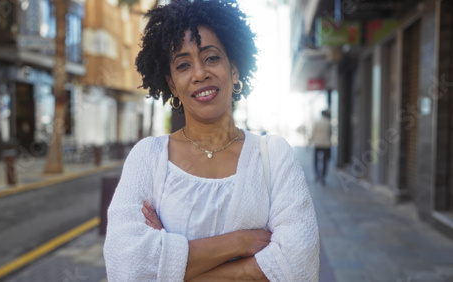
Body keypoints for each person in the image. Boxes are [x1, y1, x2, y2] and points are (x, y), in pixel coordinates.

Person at [103, 1, 319, 281]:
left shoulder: (274, 156)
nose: (199, 73)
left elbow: (298, 264)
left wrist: (168, 269)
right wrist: (240, 243)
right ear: (171, 84)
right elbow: (126, 266)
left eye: (212, 58)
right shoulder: (148, 157)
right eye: (183, 65)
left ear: (234, 69)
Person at [310, 109, 331, 186]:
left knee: (315, 160)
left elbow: (313, 132)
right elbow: (330, 134)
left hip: (317, 143)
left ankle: (317, 174)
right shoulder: (328, 122)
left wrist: (310, 142)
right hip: (326, 144)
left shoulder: (317, 122)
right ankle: (323, 176)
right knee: (325, 161)